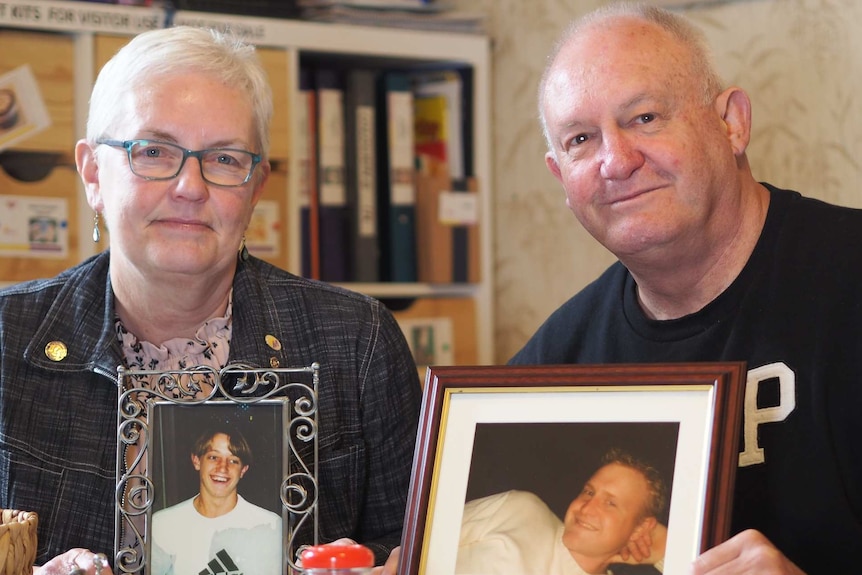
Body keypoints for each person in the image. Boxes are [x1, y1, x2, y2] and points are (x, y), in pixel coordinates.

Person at [0, 25, 419, 575]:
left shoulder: (357, 343)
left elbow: (418, 551)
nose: (190, 186)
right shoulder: (7, 338)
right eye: (153, 151)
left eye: (223, 159)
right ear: (93, 173)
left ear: (257, 186)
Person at [510, 2, 862, 574]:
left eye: (645, 117)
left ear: (732, 123)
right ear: (560, 178)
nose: (615, 161)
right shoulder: (550, 367)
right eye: (580, 139)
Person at [456, 449, 667, 575]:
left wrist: (666, 549)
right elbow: (427, 529)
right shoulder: (522, 510)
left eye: (610, 503)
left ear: (640, 528)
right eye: (588, 492)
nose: (586, 508)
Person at [151, 428, 281, 575]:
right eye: (213, 457)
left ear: (243, 470)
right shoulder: (164, 524)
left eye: (233, 460)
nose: (223, 467)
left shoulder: (270, 526)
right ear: (196, 461)